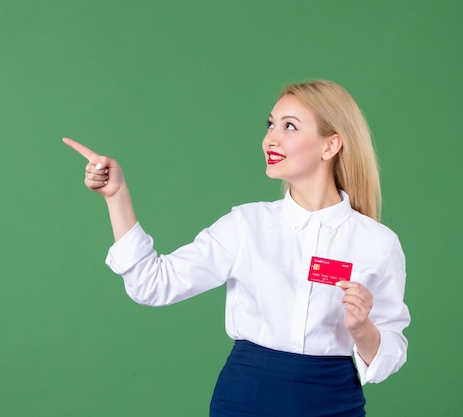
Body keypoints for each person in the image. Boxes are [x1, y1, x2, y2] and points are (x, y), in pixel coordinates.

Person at [63, 80, 410, 417]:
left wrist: (362, 328)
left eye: (289, 126)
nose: (270, 138)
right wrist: (117, 196)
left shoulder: (377, 243)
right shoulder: (246, 226)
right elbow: (152, 284)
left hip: (334, 402)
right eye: (271, 124)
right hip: (246, 399)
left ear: (330, 146)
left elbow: (390, 353)